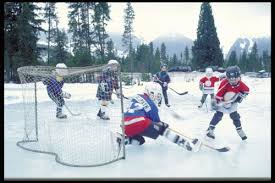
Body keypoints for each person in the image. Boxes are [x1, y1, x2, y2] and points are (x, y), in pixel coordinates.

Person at [116, 82, 202, 152]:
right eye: (156, 94)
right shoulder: (151, 105)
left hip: (124, 124)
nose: (157, 97)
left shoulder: (137, 96)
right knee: (162, 130)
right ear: (151, 92)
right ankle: (187, 144)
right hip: (138, 122)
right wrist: (163, 125)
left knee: (140, 141)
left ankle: (123, 140)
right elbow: (157, 123)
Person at [206, 66, 249, 140]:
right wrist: (215, 102)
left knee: (234, 116)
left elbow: (247, 90)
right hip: (222, 101)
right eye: (230, 79)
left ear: (239, 77)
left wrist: (240, 96)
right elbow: (219, 93)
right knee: (218, 115)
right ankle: (210, 130)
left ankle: (239, 130)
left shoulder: (241, 84)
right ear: (227, 78)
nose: (233, 81)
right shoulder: (225, 83)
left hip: (233, 102)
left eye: (235, 78)